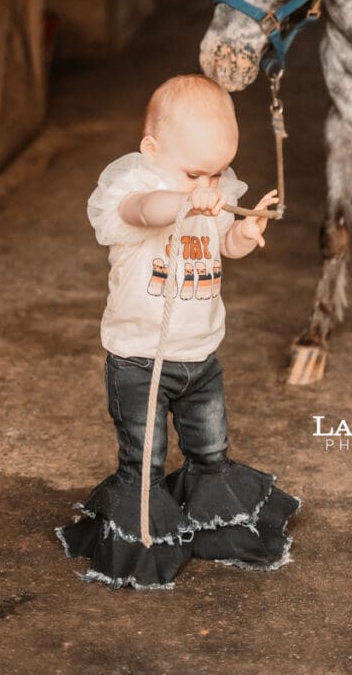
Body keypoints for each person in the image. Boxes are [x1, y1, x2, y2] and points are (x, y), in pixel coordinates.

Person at [55, 74, 301, 590]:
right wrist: (184, 200)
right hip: (141, 360)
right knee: (144, 456)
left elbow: (221, 246)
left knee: (210, 448)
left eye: (216, 175)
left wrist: (241, 231)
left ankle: (211, 520)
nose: (208, 187)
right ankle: (142, 534)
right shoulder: (136, 190)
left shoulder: (209, 193)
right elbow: (146, 212)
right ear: (152, 150)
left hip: (200, 358)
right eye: (195, 173)